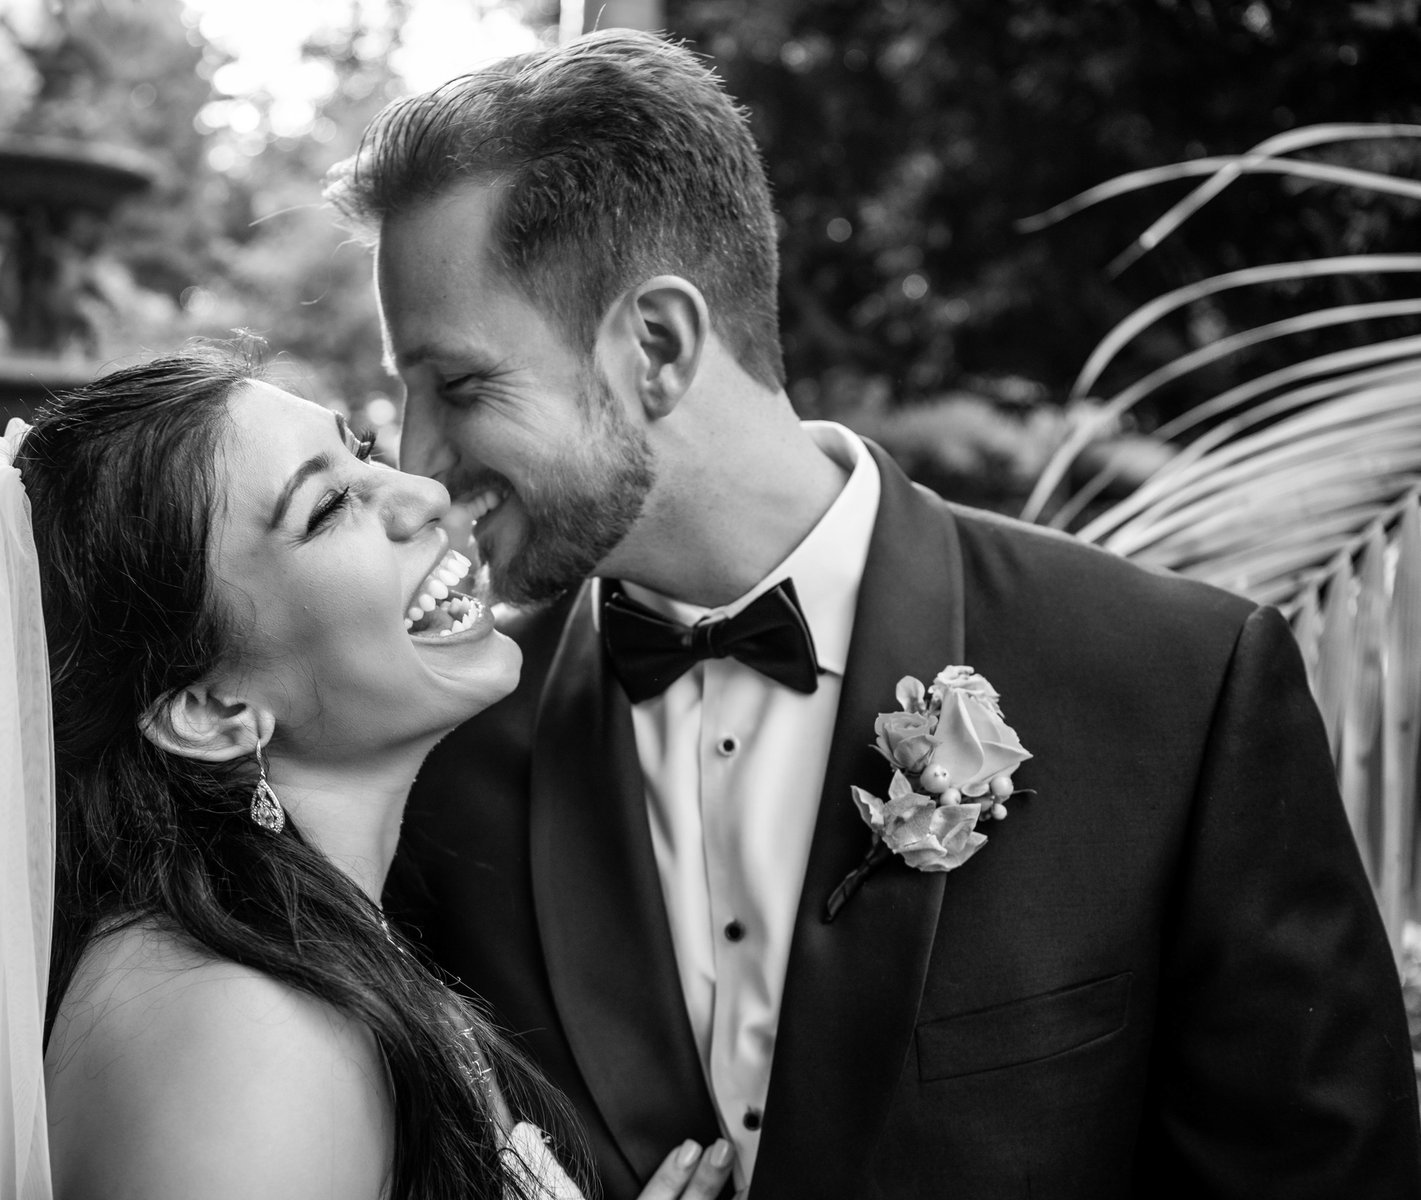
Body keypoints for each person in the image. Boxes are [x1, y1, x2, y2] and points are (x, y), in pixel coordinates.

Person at [325, 30, 1421, 1200]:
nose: (417, 460)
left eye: (460, 385)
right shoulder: (443, 748)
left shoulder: (1177, 686)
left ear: (658, 344)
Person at [0, 348, 738, 1200]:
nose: (420, 493)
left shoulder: (282, 948)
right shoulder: (243, 1045)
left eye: (359, 453)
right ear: (208, 711)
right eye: (324, 509)